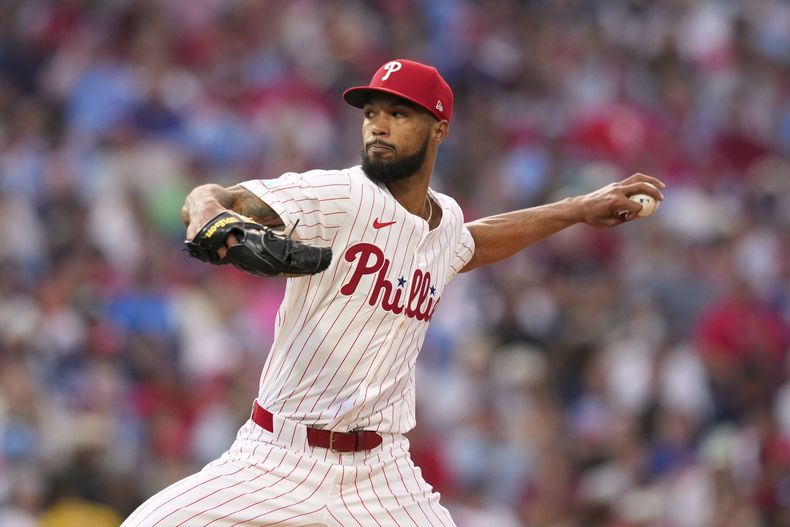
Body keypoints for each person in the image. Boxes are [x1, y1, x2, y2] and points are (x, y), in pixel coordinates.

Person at [123, 58, 665, 526]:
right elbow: (215, 197)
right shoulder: (341, 195)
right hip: (277, 456)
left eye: (398, 114)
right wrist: (207, 215)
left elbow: (472, 243)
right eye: (371, 114)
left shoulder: (444, 222)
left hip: (381, 476)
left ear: (439, 129)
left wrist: (577, 209)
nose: (378, 126)